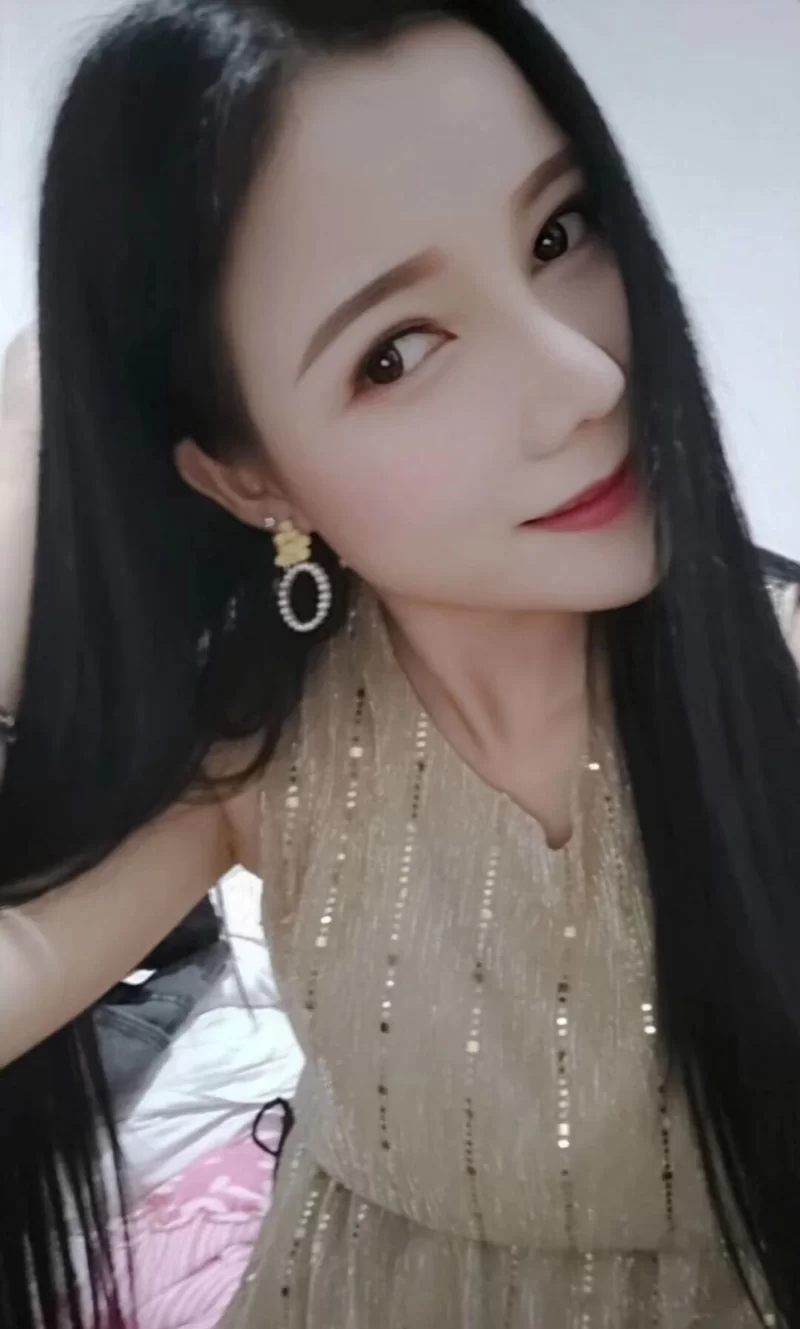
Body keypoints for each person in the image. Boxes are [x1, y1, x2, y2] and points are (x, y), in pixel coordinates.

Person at [0, 1, 799, 1325]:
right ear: (250, 478)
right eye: (398, 352)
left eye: (559, 233)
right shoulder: (267, 748)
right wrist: (26, 458)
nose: (585, 379)